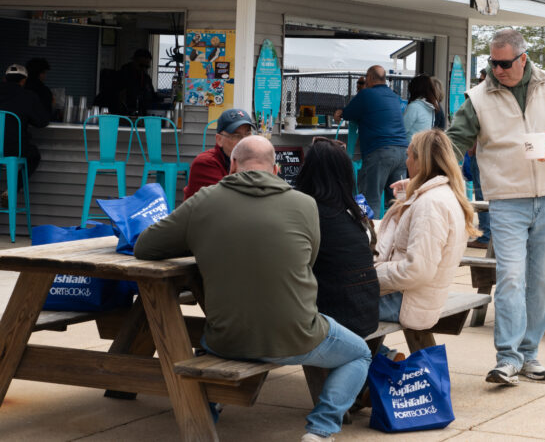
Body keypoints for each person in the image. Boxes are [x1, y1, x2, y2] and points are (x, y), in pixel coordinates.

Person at [135, 136, 371, 442]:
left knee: (204, 341)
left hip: (227, 340)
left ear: (232, 166)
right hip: (298, 336)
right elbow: (308, 260)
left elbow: (145, 246)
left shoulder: (204, 201)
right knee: (360, 354)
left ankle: (209, 409)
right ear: (275, 169)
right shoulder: (305, 204)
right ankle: (320, 430)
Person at [447, 28, 545, 385]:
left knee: (542, 282)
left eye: (504, 63)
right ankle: (507, 358)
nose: (497, 69)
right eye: (492, 63)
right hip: (507, 200)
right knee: (510, 278)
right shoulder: (477, 98)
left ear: (523, 58)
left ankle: (530, 355)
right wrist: (427, 173)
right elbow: (454, 141)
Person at [376, 129, 475, 328]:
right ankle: (383, 354)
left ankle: (378, 355)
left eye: (409, 156)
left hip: (406, 304)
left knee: (328, 304)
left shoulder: (430, 204)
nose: (406, 162)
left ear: (420, 161)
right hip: (418, 299)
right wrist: (413, 188)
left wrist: (369, 274)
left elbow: (416, 270)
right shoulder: (445, 194)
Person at [294, 137, 380, 338]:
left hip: (333, 320)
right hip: (366, 314)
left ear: (308, 171)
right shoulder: (353, 213)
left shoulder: (309, 213)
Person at [342, 65, 409, 218]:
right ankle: (398, 236)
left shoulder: (366, 94)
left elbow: (348, 113)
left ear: (370, 78)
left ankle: (369, 237)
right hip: (402, 153)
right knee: (398, 200)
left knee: (367, 198)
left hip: (380, 152)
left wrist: (340, 113)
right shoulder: (394, 96)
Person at [183, 108, 256, 199]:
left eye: (248, 133)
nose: (244, 141)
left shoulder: (252, 159)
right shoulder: (205, 163)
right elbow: (230, 200)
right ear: (219, 140)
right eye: (236, 136)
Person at [0, 63, 50, 178]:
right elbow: (42, 122)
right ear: (24, 81)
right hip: (13, 149)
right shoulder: (28, 96)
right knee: (34, 156)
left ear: (4, 79)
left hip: (10, 148)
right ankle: (11, 190)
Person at [403, 74, 442, 140]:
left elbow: (402, 129)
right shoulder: (431, 107)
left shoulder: (414, 107)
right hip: (422, 146)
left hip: (411, 146)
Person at [119, 48, 157, 115]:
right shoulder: (124, 75)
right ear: (134, 61)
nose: (144, 69)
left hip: (143, 112)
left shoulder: (146, 78)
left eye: (147, 66)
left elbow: (153, 95)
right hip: (127, 114)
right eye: (141, 65)